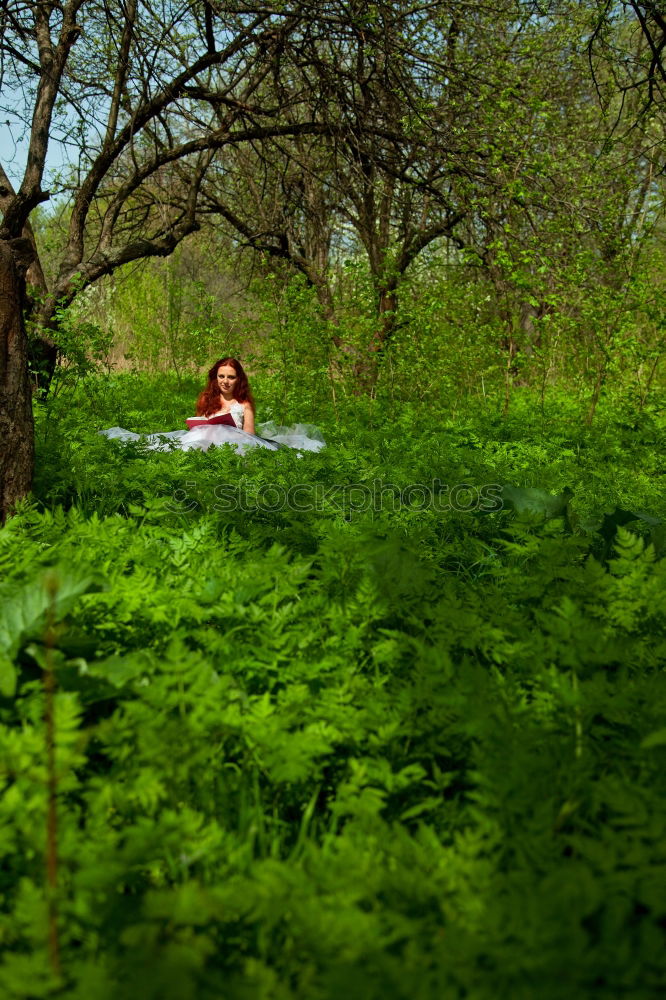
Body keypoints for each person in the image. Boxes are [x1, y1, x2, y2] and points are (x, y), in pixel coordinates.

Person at [100, 357, 325, 455]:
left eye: (231, 377)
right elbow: (200, 423)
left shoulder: (244, 403)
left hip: (234, 443)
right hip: (207, 440)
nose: (225, 381)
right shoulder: (208, 398)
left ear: (239, 379)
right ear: (215, 377)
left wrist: (230, 429)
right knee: (181, 446)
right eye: (221, 376)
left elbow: (250, 435)